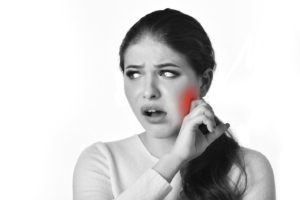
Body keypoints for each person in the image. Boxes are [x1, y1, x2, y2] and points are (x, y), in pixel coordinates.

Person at [73, 8, 276, 200]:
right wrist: (174, 160)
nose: (148, 92)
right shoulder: (101, 161)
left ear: (204, 81)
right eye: (134, 74)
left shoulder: (246, 168)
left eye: (167, 73)